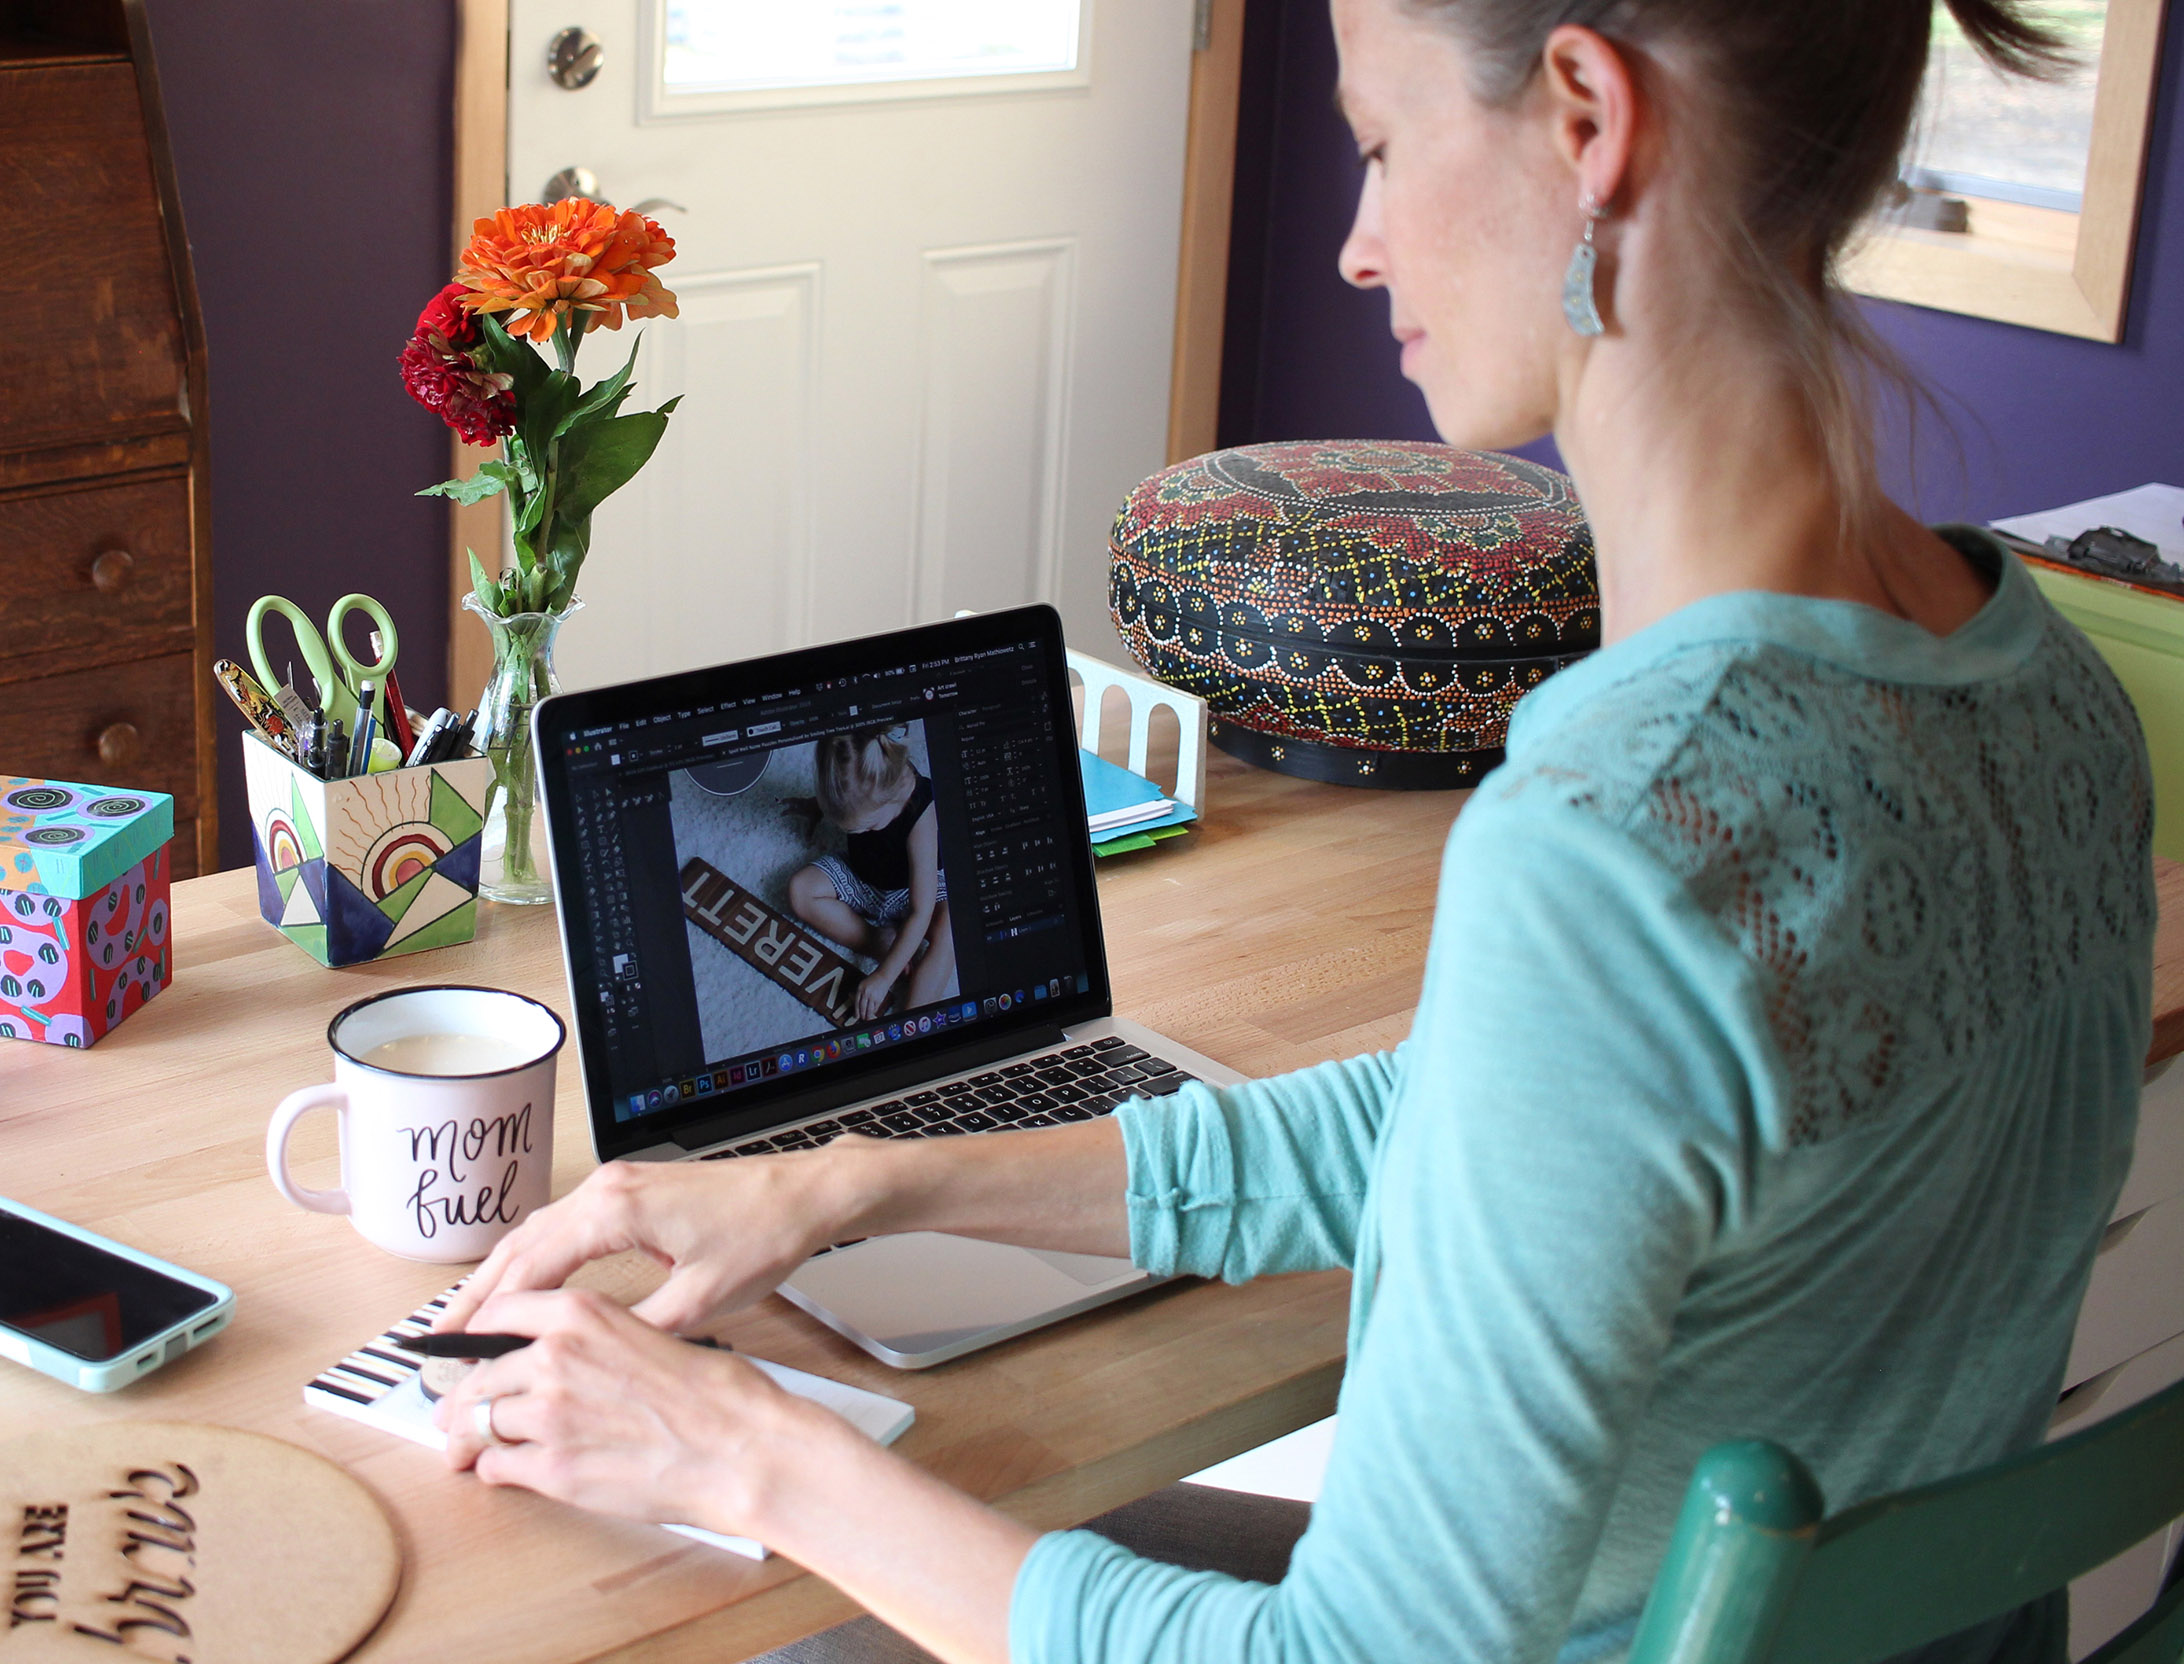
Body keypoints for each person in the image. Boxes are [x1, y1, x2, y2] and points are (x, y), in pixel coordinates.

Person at [428, 0, 2155, 1660]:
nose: (1356, 240)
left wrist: (747, 1448)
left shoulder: (1613, 843)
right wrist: (857, 1183)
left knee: (780, 1599)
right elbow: (1507, 1112)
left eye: (1382, 143)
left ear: (1588, 118)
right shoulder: (2045, 677)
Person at [789, 727, 957, 1023]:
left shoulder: (920, 811)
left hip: (913, 890)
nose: (856, 833)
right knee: (800, 891)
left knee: (950, 929)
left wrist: (883, 976)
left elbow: (921, 910)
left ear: (889, 801)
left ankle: (913, 1022)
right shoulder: (861, 784)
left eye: (865, 828)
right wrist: (818, 806)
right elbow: (842, 797)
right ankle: (880, 941)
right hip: (864, 878)